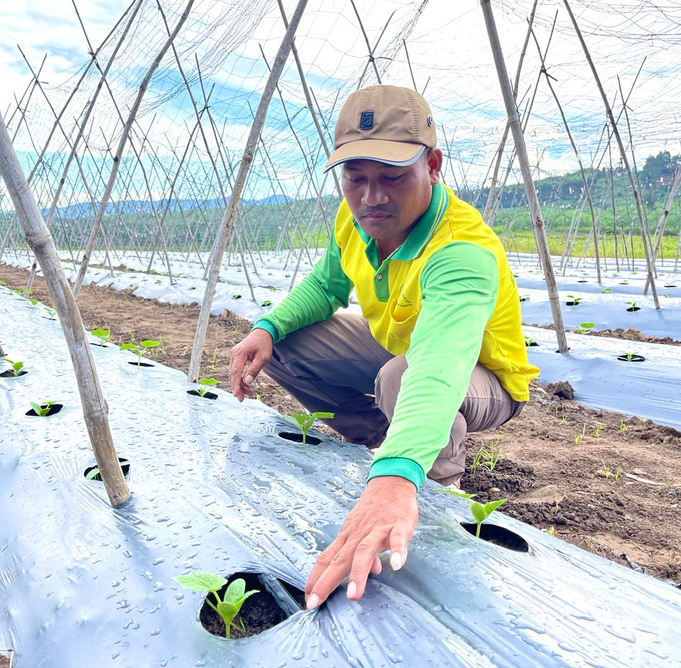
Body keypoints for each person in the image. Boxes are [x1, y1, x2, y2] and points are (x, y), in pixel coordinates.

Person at [227, 85, 538, 610]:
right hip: (402, 352)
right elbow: (326, 288)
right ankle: (389, 440)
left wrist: (395, 478)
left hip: (482, 377)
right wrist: (266, 328)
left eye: (392, 176)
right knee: (284, 344)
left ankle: (430, 504)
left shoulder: (463, 250)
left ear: (433, 165)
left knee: (405, 378)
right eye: (356, 177)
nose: (372, 196)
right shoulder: (355, 219)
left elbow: (439, 365)